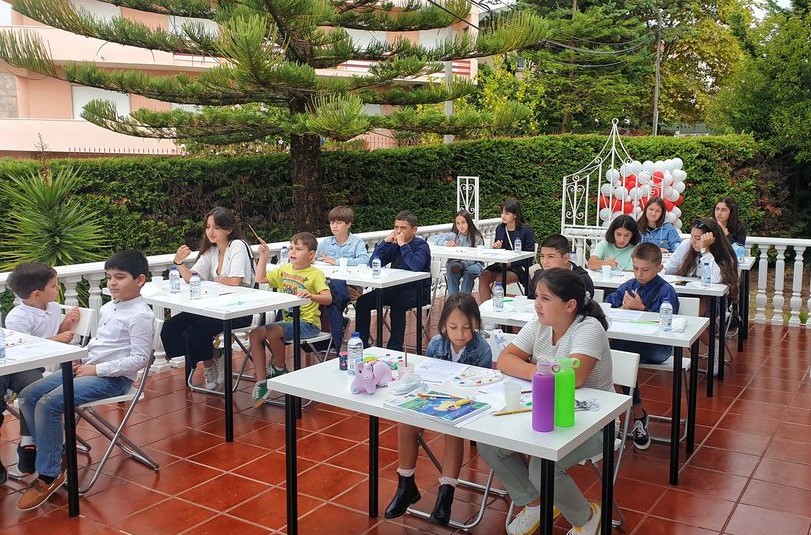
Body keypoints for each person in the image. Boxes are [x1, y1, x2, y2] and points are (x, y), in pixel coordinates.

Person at [477, 269, 613, 535]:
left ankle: (587, 518)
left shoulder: (588, 328)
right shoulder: (538, 324)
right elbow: (505, 359)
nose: (537, 304)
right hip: (543, 411)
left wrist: (536, 371)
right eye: (536, 296)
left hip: (593, 424)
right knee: (489, 443)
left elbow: (573, 378)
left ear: (570, 305)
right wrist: (540, 374)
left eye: (545, 298)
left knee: (542, 468)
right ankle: (536, 503)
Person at [16, 250, 155, 510]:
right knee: (28, 395)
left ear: (139, 280)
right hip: (87, 368)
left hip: (114, 379)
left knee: (49, 403)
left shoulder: (141, 316)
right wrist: (82, 358)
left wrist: (96, 369)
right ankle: (54, 452)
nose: (112, 283)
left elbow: (139, 359)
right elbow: (99, 344)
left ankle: (49, 474)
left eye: (120, 277)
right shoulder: (109, 307)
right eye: (109, 277)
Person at [384, 293, 492, 525]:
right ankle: (405, 484)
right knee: (406, 423)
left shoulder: (482, 349)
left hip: (464, 405)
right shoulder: (436, 343)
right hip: (434, 399)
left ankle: (446, 493)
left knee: (452, 429)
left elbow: (485, 387)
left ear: (476, 323)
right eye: (453, 327)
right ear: (443, 325)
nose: (460, 334)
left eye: (467, 327)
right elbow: (427, 377)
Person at [160, 207, 255, 390]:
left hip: (238, 310)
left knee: (195, 332)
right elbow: (191, 278)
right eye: (208, 226)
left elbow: (235, 280)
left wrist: (214, 281)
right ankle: (212, 356)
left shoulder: (237, 246)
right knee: (171, 326)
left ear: (228, 229)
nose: (211, 232)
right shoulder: (211, 251)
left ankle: (208, 362)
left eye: (216, 227)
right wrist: (179, 262)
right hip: (214, 307)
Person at [2, 263, 80, 483]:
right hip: (22, 365)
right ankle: (31, 443)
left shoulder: (52, 308)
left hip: (45, 366)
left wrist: (66, 323)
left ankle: (29, 443)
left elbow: (56, 337)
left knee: (32, 391)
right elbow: (24, 349)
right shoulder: (18, 317)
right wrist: (56, 339)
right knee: (23, 389)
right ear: (37, 294)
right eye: (54, 286)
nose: (58, 288)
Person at [605, 243, 680, 450]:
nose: (639, 274)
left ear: (659, 268)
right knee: (613, 356)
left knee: (616, 356)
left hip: (658, 348)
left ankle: (629, 416)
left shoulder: (666, 290)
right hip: (628, 344)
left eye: (645, 269)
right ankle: (631, 415)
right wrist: (621, 308)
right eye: (635, 268)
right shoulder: (628, 286)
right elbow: (607, 306)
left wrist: (642, 309)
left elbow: (668, 323)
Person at [249, 232, 332, 406]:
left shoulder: (315, 274)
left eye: (298, 249)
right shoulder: (284, 269)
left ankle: (279, 367)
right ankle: (262, 381)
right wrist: (264, 256)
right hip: (287, 322)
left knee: (272, 331)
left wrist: (311, 295)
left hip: (308, 324)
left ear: (311, 255)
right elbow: (260, 278)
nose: (292, 252)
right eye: (291, 248)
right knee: (255, 334)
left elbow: (328, 298)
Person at [355, 210, 431, 351]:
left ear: (414, 230)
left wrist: (403, 245)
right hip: (394, 287)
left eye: (403, 228)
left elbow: (416, 266)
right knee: (362, 302)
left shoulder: (421, 246)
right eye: (396, 227)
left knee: (398, 305)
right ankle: (362, 343)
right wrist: (385, 243)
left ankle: (395, 347)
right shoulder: (394, 244)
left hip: (417, 290)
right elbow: (374, 262)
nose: (398, 231)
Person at [315, 206, 370, 349]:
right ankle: (328, 333)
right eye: (332, 222)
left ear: (348, 224)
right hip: (328, 285)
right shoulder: (326, 243)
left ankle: (336, 332)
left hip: (351, 287)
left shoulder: (356, 242)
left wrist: (337, 262)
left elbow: (365, 260)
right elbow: (314, 258)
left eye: (338, 223)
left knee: (330, 299)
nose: (334, 226)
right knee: (321, 297)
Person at [478, 199, 536, 301]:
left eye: (507, 213)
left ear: (515, 215)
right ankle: (484, 307)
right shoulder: (500, 229)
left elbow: (529, 256)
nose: (503, 216)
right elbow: (498, 253)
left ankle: (499, 306)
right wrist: (496, 248)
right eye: (502, 213)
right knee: (483, 276)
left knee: (500, 279)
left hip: (518, 267)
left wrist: (511, 263)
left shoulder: (526, 230)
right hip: (501, 265)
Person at [427, 210, 485, 294]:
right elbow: (431, 239)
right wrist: (446, 243)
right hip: (456, 263)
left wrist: (461, 265)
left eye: (463, 222)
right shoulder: (454, 235)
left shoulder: (476, 237)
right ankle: (453, 299)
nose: (461, 226)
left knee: (468, 273)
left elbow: (474, 259)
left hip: (475, 263)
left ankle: (464, 299)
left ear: (468, 222)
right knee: (451, 269)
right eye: (458, 223)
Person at [527, 234, 594, 300]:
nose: (544, 262)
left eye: (550, 257)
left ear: (566, 258)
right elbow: (530, 301)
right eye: (542, 256)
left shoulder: (581, 280)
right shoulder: (538, 276)